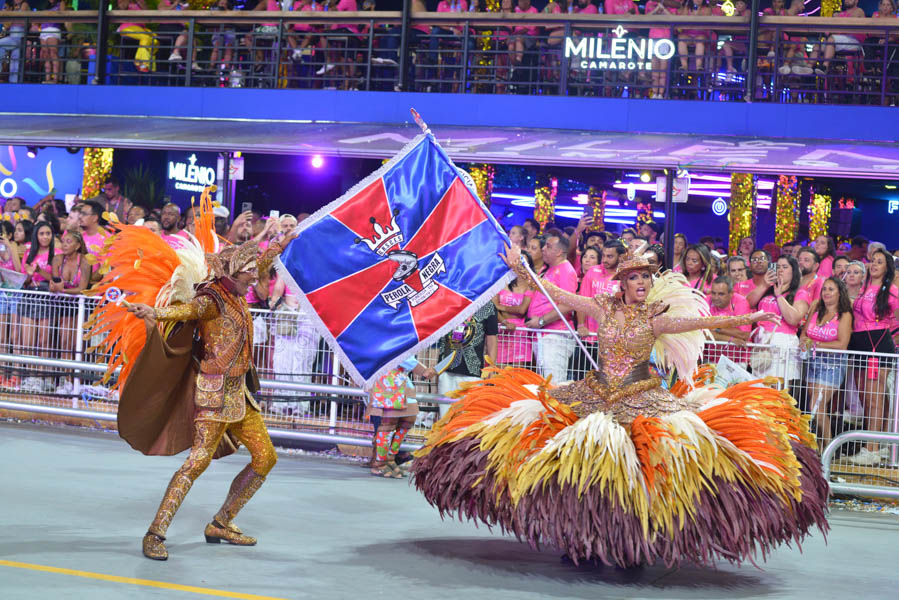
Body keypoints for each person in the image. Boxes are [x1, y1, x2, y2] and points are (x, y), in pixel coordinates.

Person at [412, 242, 827, 568]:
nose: (642, 283)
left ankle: (634, 541)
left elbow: (701, 323)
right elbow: (556, 293)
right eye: (635, 278)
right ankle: (581, 535)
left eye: (647, 277)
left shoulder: (655, 317)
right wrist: (522, 269)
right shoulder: (601, 308)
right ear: (622, 283)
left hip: (642, 395)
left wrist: (749, 319)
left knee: (640, 467)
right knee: (580, 460)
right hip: (596, 392)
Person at [117, 229, 295, 561]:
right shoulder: (212, 299)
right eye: (249, 272)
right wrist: (156, 313)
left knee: (266, 457)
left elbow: (263, 261)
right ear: (234, 273)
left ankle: (221, 522)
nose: (256, 277)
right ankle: (155, 532)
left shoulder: (238, 291)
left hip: (240, 396)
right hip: (214, 397)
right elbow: (187, 311)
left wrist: (283, 243)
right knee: (196, 464)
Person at [847, 248, 899, 466]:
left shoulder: (892, 291)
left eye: (879, 262)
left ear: (887, 268)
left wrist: (893, 338)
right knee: (866, 398)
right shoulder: (864, 287)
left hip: (877, 344)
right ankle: (875, 444)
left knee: (875, 398)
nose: (874, 265)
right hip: (859, 342)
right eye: (872, 261)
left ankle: (873, 449)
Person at [800, 277, 852, 453]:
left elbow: (842, 344)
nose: (826, 293)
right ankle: (822, 448)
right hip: (813, 362)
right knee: (814, 408)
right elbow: (804, 334)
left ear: (840, 293)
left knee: (817, 405)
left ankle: (828, 449)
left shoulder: (845, 315)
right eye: (824, 289)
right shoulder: (816, 308)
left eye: (831, 289)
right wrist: (804, 342)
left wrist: (815, 345)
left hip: (833, 364)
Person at [367, 355, 436, 478]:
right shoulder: (389, 335)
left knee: (408, 420)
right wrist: (423, 370)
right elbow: (399, 353)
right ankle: (380, 463)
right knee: (388, 424)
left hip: (402, 380)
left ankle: (390, 458)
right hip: (387, 382)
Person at [525, 233, 577, 382]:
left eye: (548, 246)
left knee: (553, 384)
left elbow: (568, 304)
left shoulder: (566, 270)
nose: (543, 249)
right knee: (544, 384)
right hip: (544, 335)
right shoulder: (549, 269)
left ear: (559, 252)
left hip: (555, 335)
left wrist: (541, 321)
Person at [750, 255, 810, 385]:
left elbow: (793, 319)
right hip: (762, 342)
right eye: (778, 267)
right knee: (759, 387)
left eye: (784, 267)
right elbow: (747, 303)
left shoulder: (801, 293)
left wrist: (779, 296)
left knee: (778, 387)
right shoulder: (768, 289)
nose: (780, 270)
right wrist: (764, 285)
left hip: (783, 344)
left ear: (793, 271)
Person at [436, 302, 498, 418]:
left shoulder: (487, 305)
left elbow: (492, 339)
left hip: (473, 372)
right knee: (444, 418)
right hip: (446, 369)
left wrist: (491, 366)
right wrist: (437, 369)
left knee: (467, 418)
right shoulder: (451, 300)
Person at [19, 222, 55, 393]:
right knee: (28, 341)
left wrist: (39, 271)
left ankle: (43, 377)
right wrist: (28, 274)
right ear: (36, 236)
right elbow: (24, 280)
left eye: (48, 233)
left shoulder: (56, 253)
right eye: (41, 233)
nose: (45, 237)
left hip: (46, 295)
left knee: (44, 340)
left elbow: (55, 278)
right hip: (29, 295)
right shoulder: (28, 253)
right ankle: (30, 377)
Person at [494, 254, 534, 367]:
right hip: (501, 330)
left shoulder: (531, 286)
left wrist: (501, 307)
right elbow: (493, 308)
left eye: (523, 263)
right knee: (498, 375)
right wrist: (504, 322)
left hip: (520, 334)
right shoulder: (501, 282)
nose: (520, 266)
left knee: (517, 376)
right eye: (517, 262)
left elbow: (522, 310)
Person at [705, 275, 752, 368]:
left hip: (737, 359)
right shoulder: (706, 301)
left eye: (721, 294)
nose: (715, 297)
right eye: (713, 293)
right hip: (711, 358)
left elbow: (743, 335)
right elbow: (703, 334)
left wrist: (716, 327)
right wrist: (731, 339)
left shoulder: (741, 302)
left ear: (731, 293)